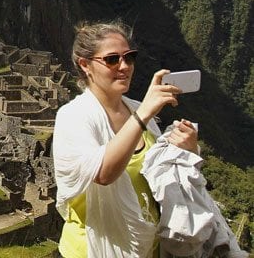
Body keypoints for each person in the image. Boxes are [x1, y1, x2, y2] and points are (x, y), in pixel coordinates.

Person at [53, 21, 199, 258]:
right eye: (112, 59)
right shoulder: (73, 117)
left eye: (129, 57)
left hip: (146, 248)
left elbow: (160, 175)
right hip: (91, 251)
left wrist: (186, 150)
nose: (124, 66)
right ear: (85, 64)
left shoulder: (138, 111)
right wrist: (143, 115)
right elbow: (102, 174)